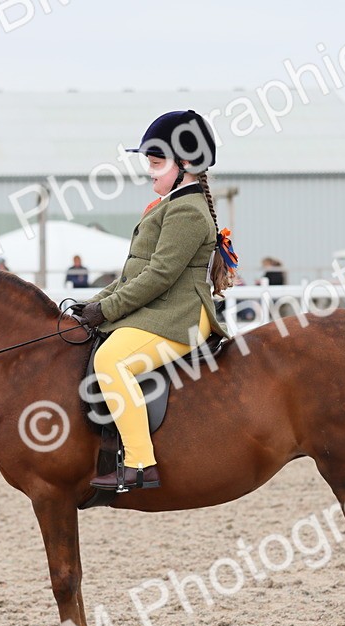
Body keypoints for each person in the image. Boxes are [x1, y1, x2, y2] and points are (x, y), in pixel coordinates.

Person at [77, 109, 234, 491]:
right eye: (149, 161)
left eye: (157, 162)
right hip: (160, 309)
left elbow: (159, 276)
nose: (149, 170)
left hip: (179, 316)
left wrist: (108, 310)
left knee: (110, 361)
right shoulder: (169, 204)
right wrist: (93, 303)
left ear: (186, 165)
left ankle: (140, 462)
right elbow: (134, 272)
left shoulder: (187, 212)